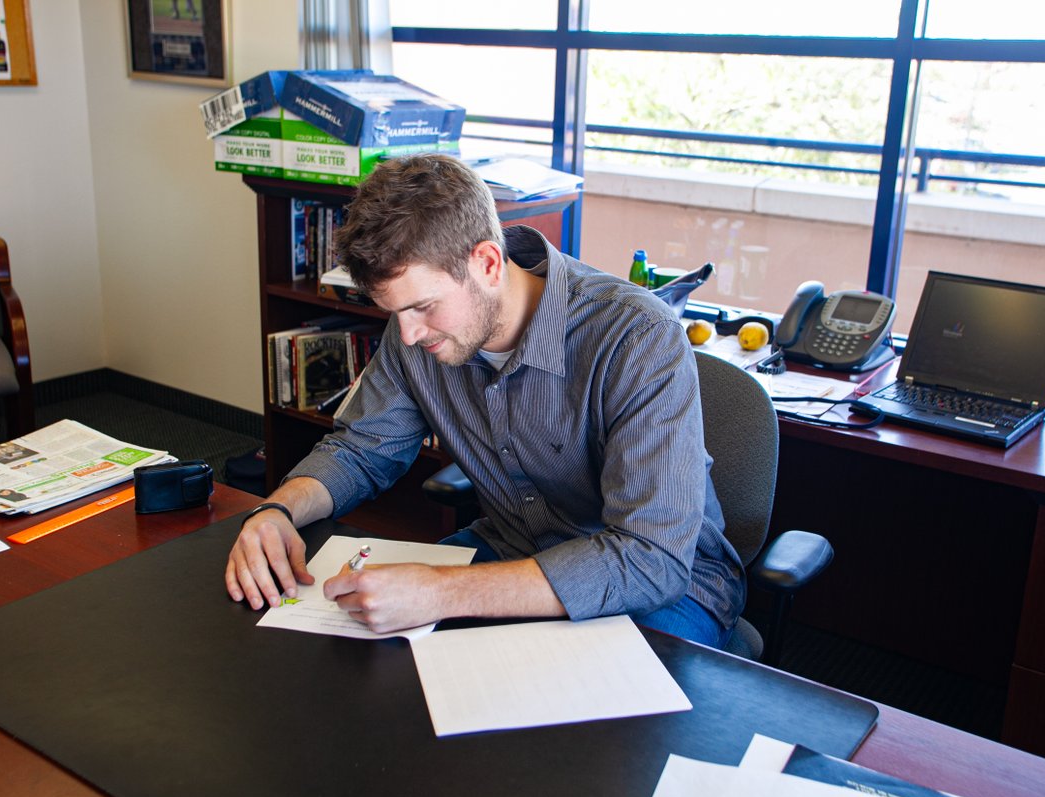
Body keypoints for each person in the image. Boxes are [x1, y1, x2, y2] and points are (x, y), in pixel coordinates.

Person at [225, 154, 746, 648]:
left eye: (423, 307)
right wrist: (277, 510)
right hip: (517, 545)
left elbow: (651, 559)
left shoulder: (636, 335)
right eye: (395, 312)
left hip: (662, 585)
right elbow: (363, 447)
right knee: (364, 655)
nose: (406, 336)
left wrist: (440, 591)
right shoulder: (417, 330)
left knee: (567, 728)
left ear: (489, 262)